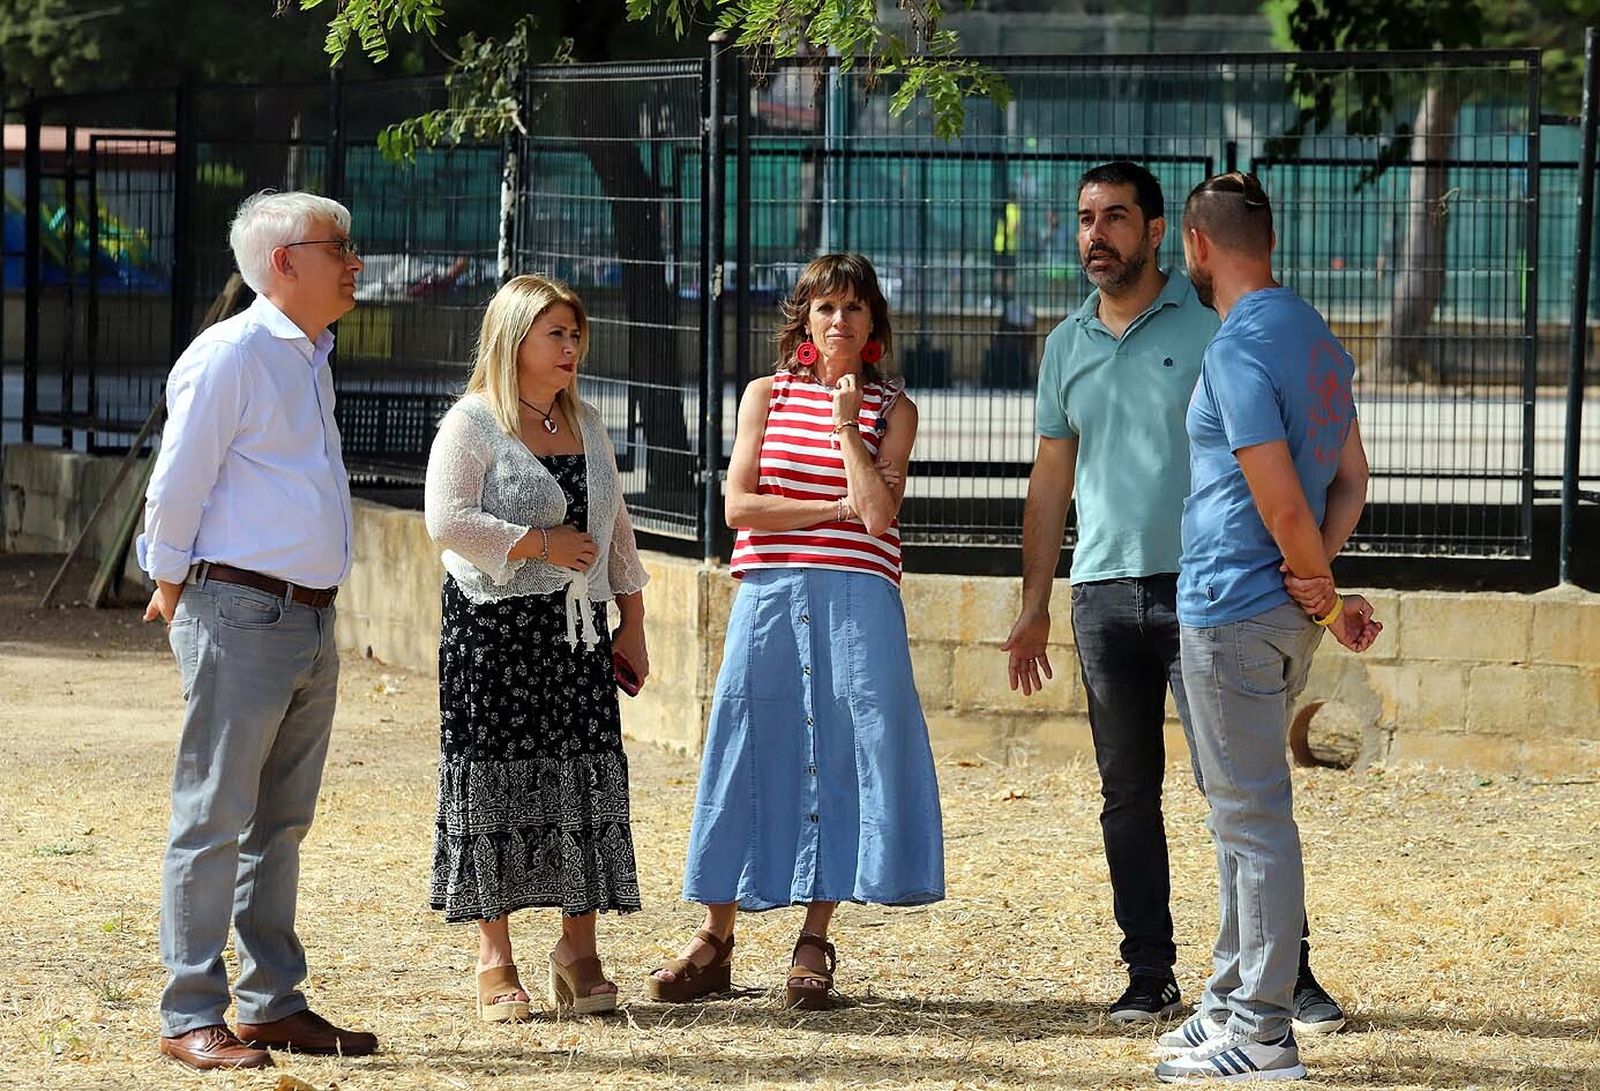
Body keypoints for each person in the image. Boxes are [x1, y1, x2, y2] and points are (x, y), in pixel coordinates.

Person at [1001, 161, 1347, 1032]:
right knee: (1126, 794)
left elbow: (1294, 454)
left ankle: (1287, 977)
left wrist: (1308, 570)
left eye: (1115, 217)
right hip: (1103, 594)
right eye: (1085, 218)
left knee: (1236, 789)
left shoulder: (1215, 327)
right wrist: (1035, 599)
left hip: (1211, 594)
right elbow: (1051, 480)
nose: (1095, 235)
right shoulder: (1065, 344)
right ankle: (1149, 972)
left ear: (1161, 232)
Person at [649, 253, 943, 1010]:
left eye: (852, 308)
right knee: (744, 742)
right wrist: (832, 509)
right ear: (804, 322)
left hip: (860, 600)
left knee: (840, 752)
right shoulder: (765, 395)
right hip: (771, 592)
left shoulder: (894, 410)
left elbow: (879, 516)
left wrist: (849, 428)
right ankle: (714, 936)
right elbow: (739, 507)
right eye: (823, 308)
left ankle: (815, 937)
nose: (837, 320)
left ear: (873, 323)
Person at [138, 190, 376, 1069]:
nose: (356, 260)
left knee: (279, 822)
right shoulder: (231, 354)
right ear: (285, 262)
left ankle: (270, 1001)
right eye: (338, 246)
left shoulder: (311, 353)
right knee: (213, 816)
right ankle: (188, 1009)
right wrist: (168, 582)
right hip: (238, 608)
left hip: (307, 615)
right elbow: (178, 481)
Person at [1152, 171, 1381, 1083]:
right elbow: (1352, 480)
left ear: (1198, 247)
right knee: (1238, 815)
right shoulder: (1317, 339)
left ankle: (1262, 1030)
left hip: (1232, 611)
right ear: (1269, 239)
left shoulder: (1238, 347)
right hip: (1277, 613)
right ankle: (1227, 1003)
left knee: (1251, 821)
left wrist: (1317, 588)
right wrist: (1317, 590)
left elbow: (1282, 500)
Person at [423, 274, 650, 1022]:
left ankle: (577, 951)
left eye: (575, 334)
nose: (572, 347)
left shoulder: (587, 423)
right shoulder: (474, 423)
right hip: (493, 635)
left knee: (579, 776)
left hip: (576, 633)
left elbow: (616, 530)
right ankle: (496, 959)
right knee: (494, 779)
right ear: (515, 340)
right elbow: (447, 520)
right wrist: (539, 541)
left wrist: (634, 623)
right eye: (557, 333)